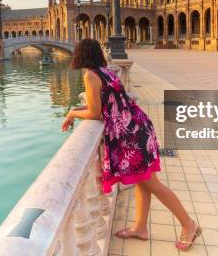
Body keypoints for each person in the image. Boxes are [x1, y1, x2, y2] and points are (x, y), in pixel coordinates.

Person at [62, 38, 201, 250]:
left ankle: (188, 224)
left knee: (152, 184)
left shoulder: (90, 75)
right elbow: (105, 106)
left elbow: (95, 112)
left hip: (131, 136)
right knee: (143, 181)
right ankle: (140, 228)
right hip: (139, 127)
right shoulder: (105, 71)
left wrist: (72, 112)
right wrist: (76, 111)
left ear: (80, 55)